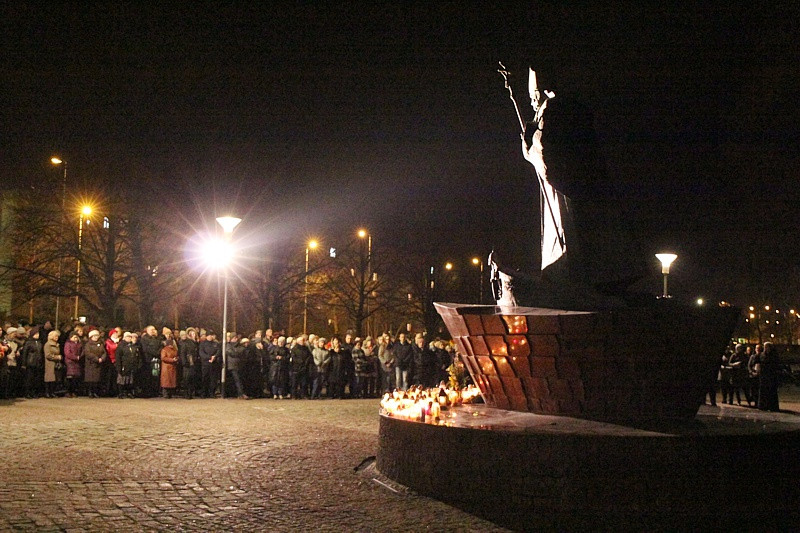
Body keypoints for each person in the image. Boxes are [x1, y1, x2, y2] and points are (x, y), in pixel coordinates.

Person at [115, 332, 141, 398]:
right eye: (128, 337)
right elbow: (118, 357)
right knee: (122, 379)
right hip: (124, 365)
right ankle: (120, 393)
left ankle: (129, 392)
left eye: (130, 337)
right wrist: (119, 367)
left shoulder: (133, 346)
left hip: (131, 365)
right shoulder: (121, 346)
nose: (129, 338)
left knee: (130, 380)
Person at [139, 325, 162, 398]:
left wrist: (158, 353)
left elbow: (160, 347)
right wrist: (155, 353)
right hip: (147, 361)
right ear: (147, 331)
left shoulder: (157, 339)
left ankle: (154, 391)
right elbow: (146, 349)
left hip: (156, 361)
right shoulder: (144, 339)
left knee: (155, 376)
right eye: (151, 329)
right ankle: (147, 392)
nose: (153, 331)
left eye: (154, 329)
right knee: (147, 377)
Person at [757, 342, 780, 412]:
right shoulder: (762, 355)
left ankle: (772, 406)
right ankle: (763, 405)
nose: (765, 348)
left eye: (766, 347)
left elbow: (776, 365)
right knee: (763, 391)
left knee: (771, 391)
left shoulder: (773, 355)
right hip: (764, 376)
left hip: (771, 376)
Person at [83, 329, 106, 398]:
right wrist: (96, 359)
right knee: (91, 379)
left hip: (99, 363)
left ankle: (96, 392)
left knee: (97, 379)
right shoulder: (88, 344)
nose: (96, 337)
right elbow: (88, 353)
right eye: (95, 336)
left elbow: (104, 352)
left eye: (97, 336)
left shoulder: (100, 344)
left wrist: (102, 358)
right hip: (91, 364)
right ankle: (90, 392)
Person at [22, 328, 44, 399]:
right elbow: (25, 353)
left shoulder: (40, 342)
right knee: (29, 378)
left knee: (36, 379)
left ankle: (34, 392)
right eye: (36, 334)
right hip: (30, 362)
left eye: (38, 334)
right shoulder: (29, 342)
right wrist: (24, 363)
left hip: (38, 362)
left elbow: (41, 352)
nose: (38, 335)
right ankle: (27, 392)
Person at [179, 327, 201, 399]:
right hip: (188, 363)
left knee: (192, 378)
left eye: (194, 333)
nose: (193, 335)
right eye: (191, 334)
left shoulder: (196, 343)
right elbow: (183, 353)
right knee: (187, 378)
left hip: (194, 363)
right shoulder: (186, 342)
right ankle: (186, 393)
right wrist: (184, 362)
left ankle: (190, 393)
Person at [199, 331, 221, 398]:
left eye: (211, 335)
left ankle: (212, 393)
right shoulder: (202, 344)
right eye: (209, 335)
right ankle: (204, 393)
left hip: (214, 364)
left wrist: (215, 356)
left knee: (213, 379)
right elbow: (201, 353)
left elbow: (218, 351)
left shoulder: (215, 343)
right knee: (205, 378)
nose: (210, 337)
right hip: (205, 363)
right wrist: (209, 357)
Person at [43, 330, 63, 398]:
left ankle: (52, 392)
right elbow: (48, 355)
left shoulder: (57, 344)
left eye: (57, 336)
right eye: (55, 336)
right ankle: (47, 392)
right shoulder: (48, 345)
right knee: (49, 378)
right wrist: (57, 357)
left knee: (54, 379)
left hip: (56, 364)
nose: (57, 337)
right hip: (50, 363)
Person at [160, 329, 179, 398]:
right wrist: (172, 360)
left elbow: (176, 356)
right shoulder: (164, 350)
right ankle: (165, 393)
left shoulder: (174, 350)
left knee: (171, 381)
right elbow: (163, 358)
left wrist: (176, 359)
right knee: (166, 381)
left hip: (172, 367)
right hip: (167, 367)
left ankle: (170, 393)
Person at [63, 332, 84, 397]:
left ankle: (74, 391)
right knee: (70, 377)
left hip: (77, 362)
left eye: (76, 337)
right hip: (70, 362)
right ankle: (68, 391)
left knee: (76, 378)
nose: (76, 339)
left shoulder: (79, 344)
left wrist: (80, 356)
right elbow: (67, 353)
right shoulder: (68, 344)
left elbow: (82, 351)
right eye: (74, 337)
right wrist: (75, 357)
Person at [103, 328, 121, 397]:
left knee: (115, 377)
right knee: (109, 376)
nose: (116, 335)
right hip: (110, 361)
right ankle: (108, 391)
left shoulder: (118, 342)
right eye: (114, 333)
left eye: (117, 333)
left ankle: (115, 391)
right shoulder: (108, 342)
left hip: (117, 361)